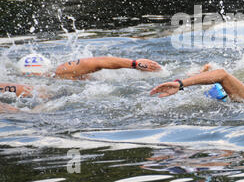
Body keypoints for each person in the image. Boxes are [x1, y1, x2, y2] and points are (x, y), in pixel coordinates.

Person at [0, 54, 162, 113]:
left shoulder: (61, 71)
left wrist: (134, 63)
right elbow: (101, 61)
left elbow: (100, 61)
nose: (36, 76)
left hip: (79, 98)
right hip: (81, 99)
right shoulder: (59, 74)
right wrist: (134, 63)